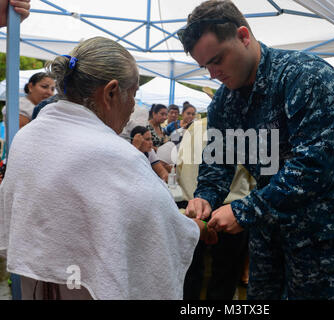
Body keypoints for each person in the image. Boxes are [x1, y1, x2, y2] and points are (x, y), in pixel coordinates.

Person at [0, 36, 217, 300]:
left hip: (36, 287)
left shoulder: (28, 137)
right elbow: (164, 231)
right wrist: (198, 227)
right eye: (134, 94)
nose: (134, 106)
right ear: (111, 92)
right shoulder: (116, 155)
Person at [180, 0, 334, 299]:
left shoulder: (305, 75)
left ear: (243, 36)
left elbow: (315, 165)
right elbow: (218, 161)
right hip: (268, 231)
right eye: (206, 67)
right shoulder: (224, 102)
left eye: (218, 60)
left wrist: (245, 210)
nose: (213, 74)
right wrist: (205, 197)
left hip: (319, 234)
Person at [177, 117, 253, 300]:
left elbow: (179, 164)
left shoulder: (195, 127)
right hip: (231, 210)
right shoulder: (243, 127)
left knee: (191, 271)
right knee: (224, 276)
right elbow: (252, 175)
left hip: (193, 206)